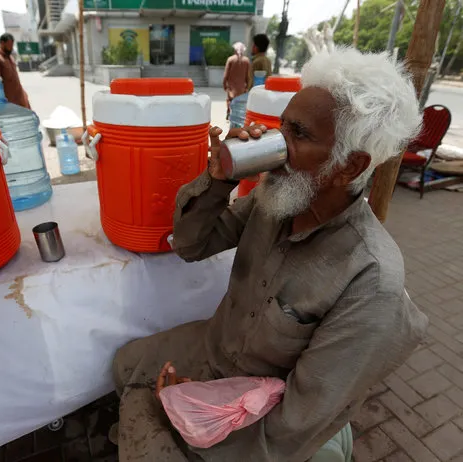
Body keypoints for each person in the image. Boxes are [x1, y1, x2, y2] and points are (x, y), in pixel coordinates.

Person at [112, 48, 428, 461]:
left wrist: (197, 416)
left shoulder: (371, 279)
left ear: (349, 166)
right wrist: (217, 178)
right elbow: (190, 245)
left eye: (298, 135)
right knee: (124, 364)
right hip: (214, 348)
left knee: (151, 430)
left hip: (262, 403)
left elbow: (294, 424)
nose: (273, 143)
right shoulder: (275, 201)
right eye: (281, 126)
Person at [0, 33, 31, 109]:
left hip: (20, 97)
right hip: (10, 102)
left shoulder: (9, 57)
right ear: (2, 43)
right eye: (9, 45)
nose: (11, 48)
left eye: (12, 45)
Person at [223, 42, 252, 120]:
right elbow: (248, 76)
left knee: (230, 100)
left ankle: (229, 112)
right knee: (240, 103)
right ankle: (238, 115)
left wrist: (224, 85)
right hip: (242, 88)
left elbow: (225, 75)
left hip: (231, 87)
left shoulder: (230, 59)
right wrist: (248, 87)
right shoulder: (246, 60)